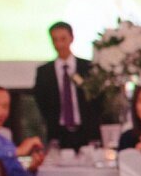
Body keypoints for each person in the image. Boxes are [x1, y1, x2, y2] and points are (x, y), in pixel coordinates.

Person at [33, 21, 101, 149]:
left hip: (86, 131)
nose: (59, 44)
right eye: (55, 40)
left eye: (63, 38)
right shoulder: (44, 71)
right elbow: (41, 101)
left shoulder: (88, 67)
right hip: (58, 132)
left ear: (71, 38)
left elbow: (97, 98)